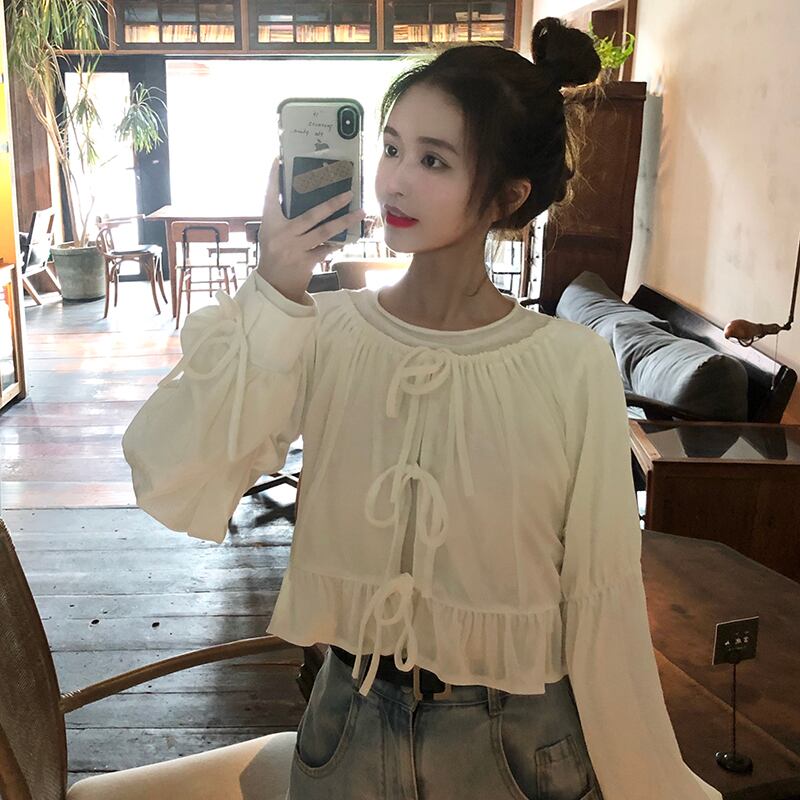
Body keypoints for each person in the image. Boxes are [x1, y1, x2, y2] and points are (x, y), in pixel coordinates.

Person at [122, 18, 723, 800]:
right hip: (344, 727)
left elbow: (601, 598)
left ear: (508, 197)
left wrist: (647, 783)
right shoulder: (319, 331)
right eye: (392, 147)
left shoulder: (569, 364)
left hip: (515, 746)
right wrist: (273, 290)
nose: (395, 181)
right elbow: (174, 475)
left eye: (433, 159)